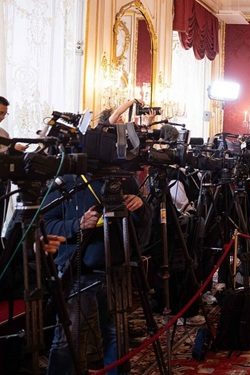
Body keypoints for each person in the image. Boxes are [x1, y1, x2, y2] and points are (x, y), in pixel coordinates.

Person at [44, 101, 152, 375]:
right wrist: (76, 225)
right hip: (79, 268)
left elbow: (141, 222)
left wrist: (139, 206)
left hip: (116, 266)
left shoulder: (122, 176)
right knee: (70, 335)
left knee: (117, 334)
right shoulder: (67, 177)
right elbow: (45, 225)